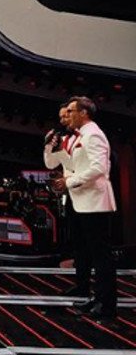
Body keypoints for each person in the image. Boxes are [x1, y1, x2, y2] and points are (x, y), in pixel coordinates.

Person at [53, 96, 118, 321]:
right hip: (84, 202)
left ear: (84, 113)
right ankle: (98, 298)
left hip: (95, 202)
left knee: (101, 257)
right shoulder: (83, 134)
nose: (67, 115)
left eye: (71, 111)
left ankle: (106, 305)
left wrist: (70, 181)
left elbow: (99, 168)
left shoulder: (93, 134)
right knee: (90, 253)